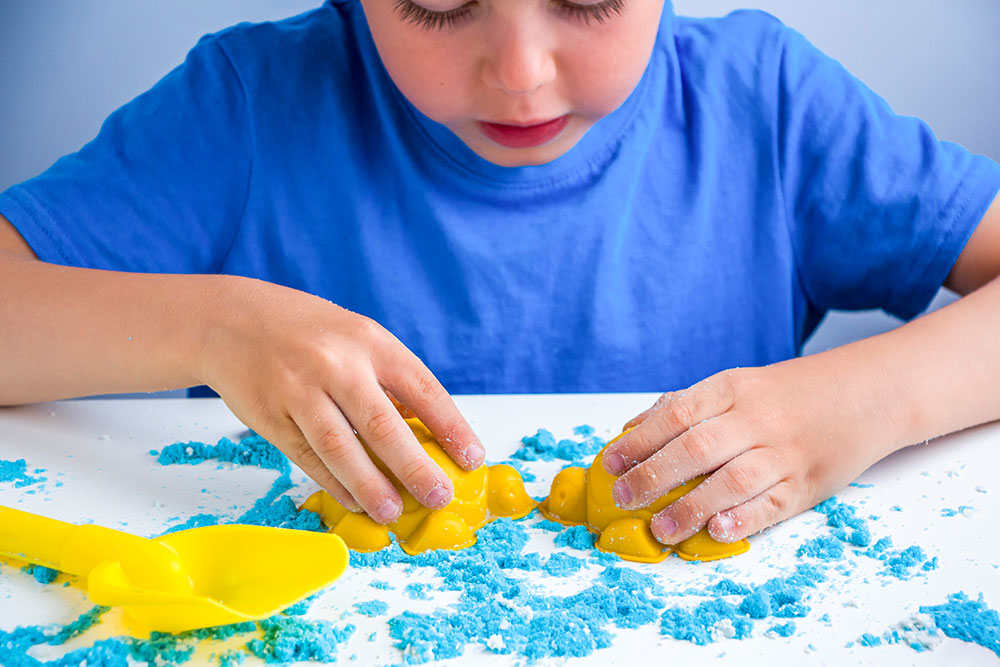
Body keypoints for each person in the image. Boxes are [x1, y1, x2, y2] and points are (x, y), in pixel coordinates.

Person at [0, 0, 998, 548]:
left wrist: (867, 398)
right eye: (439, 2)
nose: (519, 71)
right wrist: (211, 329)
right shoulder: (247, 106)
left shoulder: (768, 102)